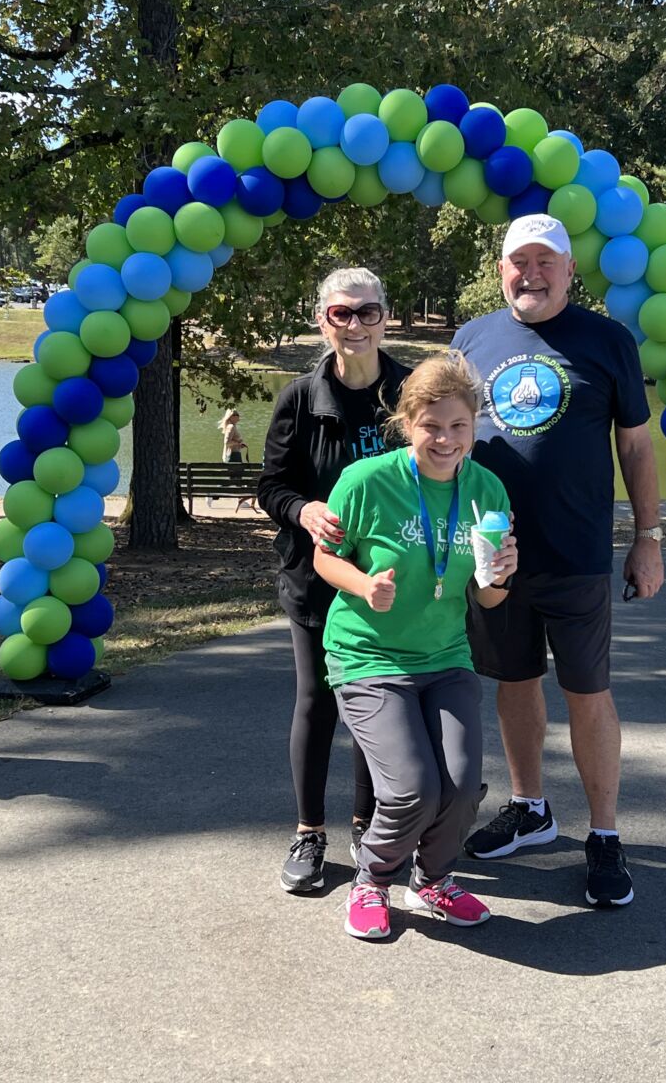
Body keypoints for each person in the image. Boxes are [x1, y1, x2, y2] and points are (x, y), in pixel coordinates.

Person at [451, 213, 664, 909]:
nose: (531, 273)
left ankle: (603, 834)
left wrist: (648, 538)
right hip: (495, 557)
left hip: (576, 554)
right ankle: (530, 808)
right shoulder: (471, 340)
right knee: (513, 683)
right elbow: (442, 440)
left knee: (587, 693)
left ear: (570, 271)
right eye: (519, 261)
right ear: (501, 268)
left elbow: (635, 447)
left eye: (547, 262)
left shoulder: (606, 340)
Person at [313, 351, 516, 939]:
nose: (446, 439)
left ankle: (432, 880)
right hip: (368, 656)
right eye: (432, 426)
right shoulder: (367, 480)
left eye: (459, 426)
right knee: (411, 789)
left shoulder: (487, 489)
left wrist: (502, 576)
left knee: (459, 786)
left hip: (446, 655)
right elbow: (325, 557)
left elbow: (488, 598)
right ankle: (372, 880)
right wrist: (363, 584)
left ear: (475, 425)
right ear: (407, 422)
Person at [257, 267, 412, 893]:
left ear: (385, 317)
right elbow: (271, 484)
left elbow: (445, 457)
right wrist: (303, 509)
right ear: (323, 320)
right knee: (319, 701)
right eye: (341, 313)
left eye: (367, 312)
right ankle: (309, 833)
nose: (355, 325)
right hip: (315, 579)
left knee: (377, 705)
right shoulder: (299, 396)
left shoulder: (410, 389)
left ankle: (367, 825)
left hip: (390, 579)